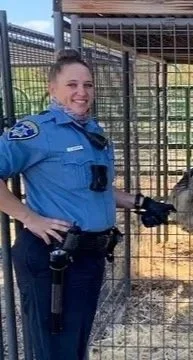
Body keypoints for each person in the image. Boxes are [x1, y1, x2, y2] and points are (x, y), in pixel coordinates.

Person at [0, 49, 175, 360]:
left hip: (88, 255)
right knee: (54, 350)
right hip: (52, 255)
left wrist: (142, 202)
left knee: (74, 344)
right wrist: (29, 217)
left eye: (88, 85)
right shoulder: (37, 132)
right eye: (72, 85)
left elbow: (96, 190)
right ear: (52, 88)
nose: (81, 92)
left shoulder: (93, 132)